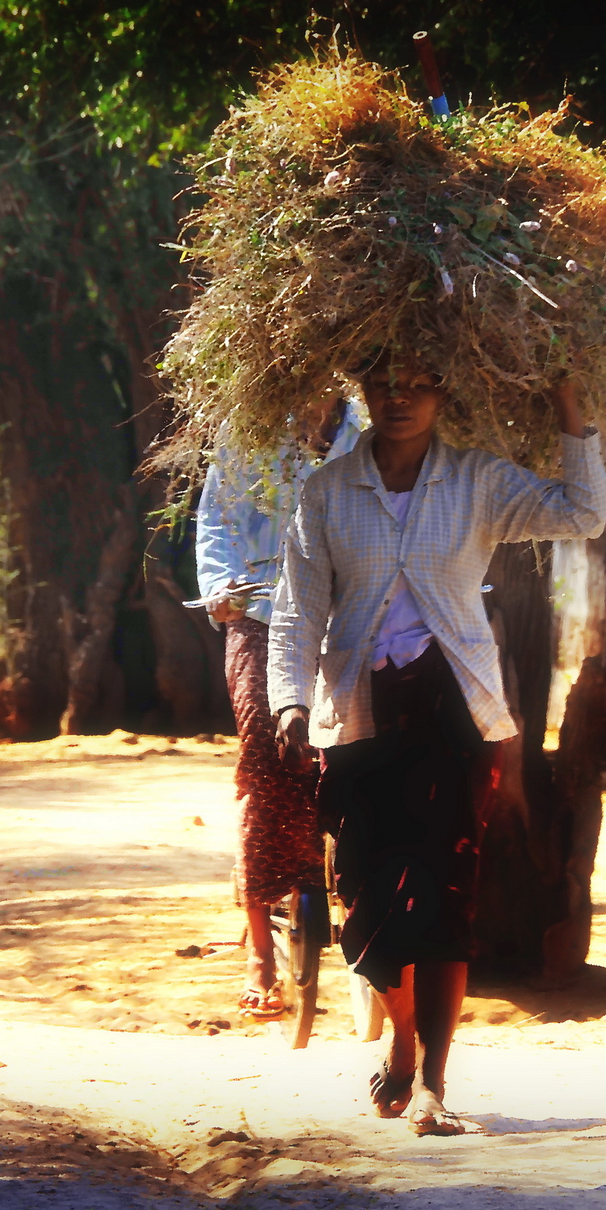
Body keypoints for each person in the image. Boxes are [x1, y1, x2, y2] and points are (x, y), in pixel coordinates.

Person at [268, 355, 605, 1135]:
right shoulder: (326, 492)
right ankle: (403, 1036)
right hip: (358, 712)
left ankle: (432, 1082)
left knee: (446, 891)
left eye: (418, 380)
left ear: (443, 389)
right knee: (365, 896)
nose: (398, 396)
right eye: (383, 381)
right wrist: (289, 701)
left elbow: (583, 513)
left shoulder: (479, 483)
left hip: (455, 711)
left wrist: (566, 400)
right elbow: (296, 611)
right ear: (361, 390)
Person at [196, 394, 363, 1020]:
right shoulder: (250, 428)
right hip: (261, 615)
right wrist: (221, 590)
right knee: (267, 761)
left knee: (355, 755)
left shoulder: (373, 431)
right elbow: (215, 517)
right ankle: (260, 950)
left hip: (348, 618)